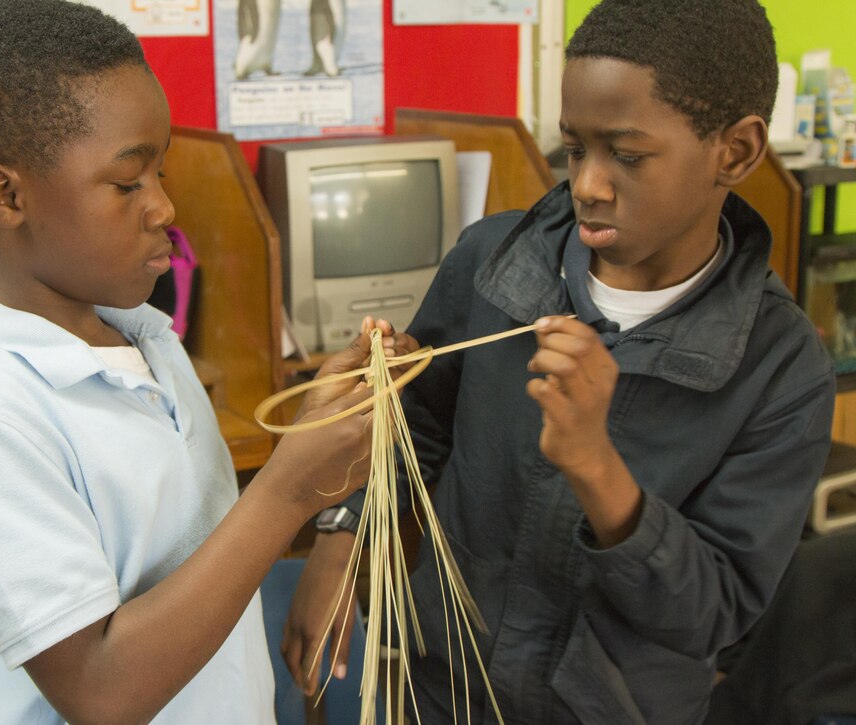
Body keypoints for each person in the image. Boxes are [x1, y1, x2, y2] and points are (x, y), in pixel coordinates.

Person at [284, 1, 837, 723]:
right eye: (575, 149)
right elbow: (410, 427)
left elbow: (715, 612)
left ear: (733, 152)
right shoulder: (492, 262)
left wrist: (596, 467)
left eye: (627, 155)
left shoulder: (781, 366)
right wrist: (341, 533)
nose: (588, 184)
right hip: (443, 693)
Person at [0, 1, 416, 722]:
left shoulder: (143, 336)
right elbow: (100, 689)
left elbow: (198, 559)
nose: (164, 208)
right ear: (4, 195)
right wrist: (287, 491)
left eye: (162, 173)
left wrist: (316, 430)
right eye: (127, 184)